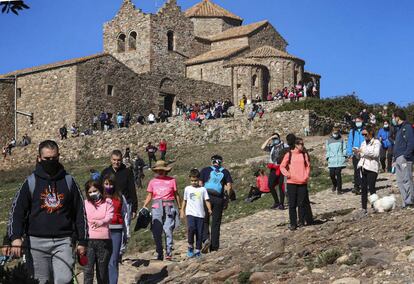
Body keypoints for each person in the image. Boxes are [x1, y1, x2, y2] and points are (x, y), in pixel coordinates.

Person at [7, 140, 87, 284]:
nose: (51, 161)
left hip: (64, 241)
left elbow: (80, 212)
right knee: (40, 281)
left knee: (64, 280)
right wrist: (15, 237)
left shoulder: (69, 181)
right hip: (36, 243)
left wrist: (82, 240)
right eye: (47, 159)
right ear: (39, 158)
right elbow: (17, 212)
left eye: (54, 158)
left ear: (59, 156)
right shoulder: (30, 182)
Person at [142, 161, 182, 260]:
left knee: (168, 229)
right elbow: (150, 195)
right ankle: (159, 251)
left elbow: (176, 194)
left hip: (169, 205)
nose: (160, 172)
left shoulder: (172, 180)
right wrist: (144, 206)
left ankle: (169, 251)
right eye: (159, 170)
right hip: (156, 206)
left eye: (162, 170)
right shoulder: (152, 182)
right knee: (156, 231)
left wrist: (180, 207)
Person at [200, 155, 233, 253]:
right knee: (216, 223)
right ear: (221, 162)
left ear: (212, 161)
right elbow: (229, 187)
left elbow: (201, 184)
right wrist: (226, 200)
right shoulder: (225, 171)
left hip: (206, 197)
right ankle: (214, 247)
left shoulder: (205, 170)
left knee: (204, 219)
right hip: (218, 199)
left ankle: (206, 239)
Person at [84, 179, 114, 284]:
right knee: (88, 271)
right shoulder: (85, 204)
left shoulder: (108, 202)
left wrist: (102, 222)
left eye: (95, 191)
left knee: (102, 272)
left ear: (100, 190)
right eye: (90, 192)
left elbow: (110, 216)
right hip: (88, 241)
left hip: (104, 240)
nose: (93, 193)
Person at [103, 174, 130, 284]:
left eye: (111, 184)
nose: (109, 186)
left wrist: (127, 232)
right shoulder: (100, 197)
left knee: (113, 260)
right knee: (104, 260)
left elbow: (125, 214)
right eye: (106, 184)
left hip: (117, 230)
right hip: (103, 231)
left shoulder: (119, 197)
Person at [280, 137, 311, 230]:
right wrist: (288, 174)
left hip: (302, 182)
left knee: (301, 203)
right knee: (292, 204)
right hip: (291, 182)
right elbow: (282, 166)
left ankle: (301, 221)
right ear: (296, 145)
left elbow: (308, 166)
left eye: (303, 144)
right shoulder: (289, 154)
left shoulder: (304, 154)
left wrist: (306, 175)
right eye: (301, 144)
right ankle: (293, 223)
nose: (302, 146)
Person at [181, 169, 212, 258]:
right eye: (192, 181)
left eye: (195, 180)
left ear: (199, 179)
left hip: (200, 214)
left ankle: (198, 250)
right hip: (190, 213)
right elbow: (185, 200)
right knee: (191, 228)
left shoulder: (203, 189)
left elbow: (207, 200)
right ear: (190, 179)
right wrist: (182, 210)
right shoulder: (187, 189)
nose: (194, 182)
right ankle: (190, 246)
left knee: (199, 232)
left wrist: (209, 209)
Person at [101, 150, 138, 222]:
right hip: (109, 203)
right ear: (110, 159)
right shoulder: (105, 172)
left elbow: (132, 190)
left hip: (125, 203)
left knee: (125, 229)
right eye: (114, 160)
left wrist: (134, 208)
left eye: (118, 160)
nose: (116, 162)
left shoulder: (127, 172)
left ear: (121, 160)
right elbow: (100, 188)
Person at [355, 126, 381, 214]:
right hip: (363, 167)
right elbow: (360, 155)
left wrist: (364, 151)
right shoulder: (363, 143)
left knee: (372, 188)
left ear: (370, 133)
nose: (364, 136)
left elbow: (376, 154)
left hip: (372, 168)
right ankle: (364, 208)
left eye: (365, 134)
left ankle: (375, 206)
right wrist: (357, 153)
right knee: (364, 188)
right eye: (363, 134)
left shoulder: (376, 142)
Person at [392, 109, 414, 208]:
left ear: (397, 117)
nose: (392, 119)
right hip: (398, 158)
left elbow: (411, 143)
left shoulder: (407, 127)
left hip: (405, 158)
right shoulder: (398, 129)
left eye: (393, 117)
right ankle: (405, 201)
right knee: (400, 181)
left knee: (406, 180)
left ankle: (410, 201)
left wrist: (406, 155)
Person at [261, 133, 288, 210]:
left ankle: (281, 204)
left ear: (279, 138)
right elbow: (262, 147)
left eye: (276, 138)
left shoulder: (284, 146)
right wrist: (270, 138)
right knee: (270, 185)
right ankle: (276, 201)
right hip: (273, 168)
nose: (274, 140)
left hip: (282, 168)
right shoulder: (272, 147)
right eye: (273, 139)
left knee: (281, 186)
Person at [346, 116, 365, 195]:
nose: (357, 123)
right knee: (356, 170)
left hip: (364, 153)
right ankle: (356, 186)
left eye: (359, 121)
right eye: (356, 121)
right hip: (355, 153)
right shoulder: (352, 131)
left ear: (362, 121)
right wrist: (349, 153)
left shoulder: (365, 130)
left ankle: (363, 185)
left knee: (363, 170)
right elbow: (350, 142)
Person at [326, 127, 347, 194]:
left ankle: (339, 189)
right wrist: (327, 157)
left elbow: (344, 148)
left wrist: (344, 155)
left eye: (337, 132)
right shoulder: (328, 140)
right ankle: (335, 185)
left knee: (338, 174)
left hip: (339, 159)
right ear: (332, 132)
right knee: (332, 174)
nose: (336, 134)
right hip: (332, 160)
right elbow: (327, 150)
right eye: (334, 132)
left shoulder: (341, 139)